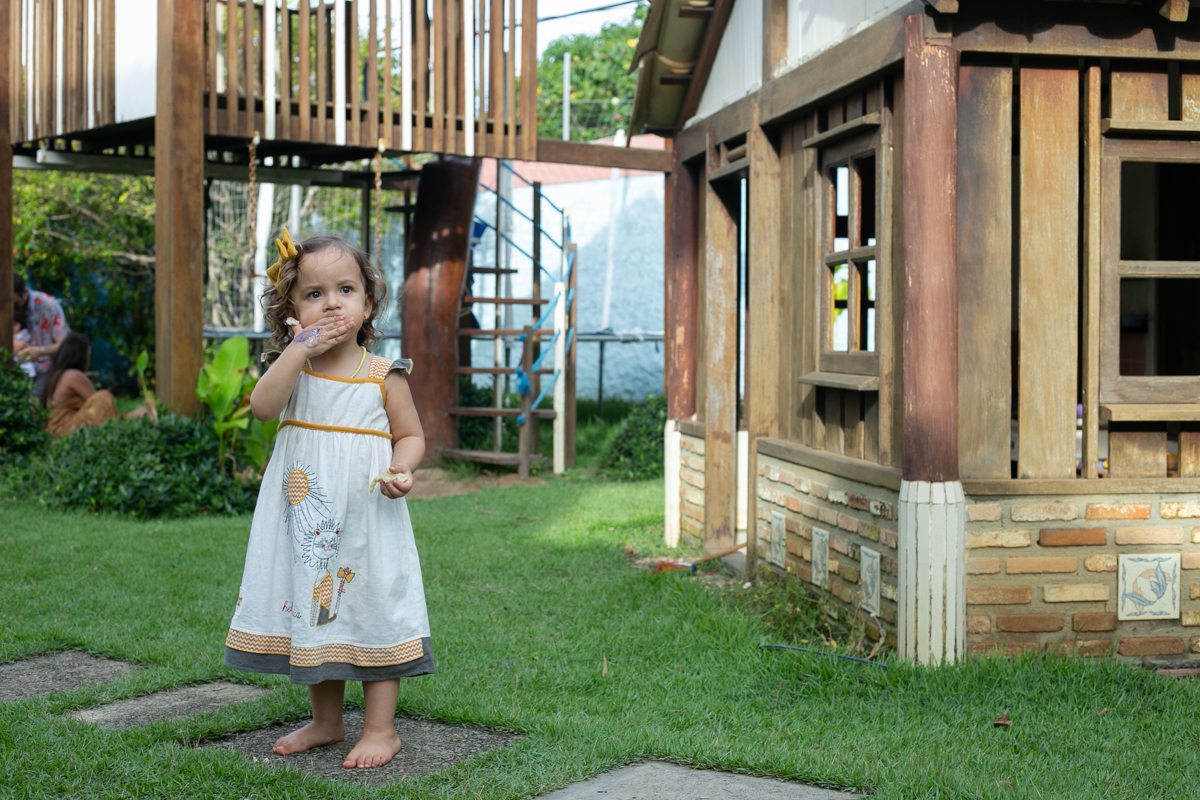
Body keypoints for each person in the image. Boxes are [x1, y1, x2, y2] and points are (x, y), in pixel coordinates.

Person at [223, 230, 431, 770]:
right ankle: (327, 721)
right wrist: (298, 349)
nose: (332, 302)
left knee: (373, 606)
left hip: (368, 517)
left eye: (345, 290)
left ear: (367, 304)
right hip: (308, 525)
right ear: (291, 309)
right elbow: (263, 407)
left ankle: (382, 730)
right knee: (318, 610)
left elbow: (410, 436)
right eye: (314, 294)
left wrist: (402, 468)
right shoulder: (295, 369)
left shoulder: (384, 375)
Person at [41, 333, 148, 437]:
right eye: (88, 355)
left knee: (140, 412)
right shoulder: (73, 375)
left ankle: (127, 422)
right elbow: (100, 405)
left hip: (56, 433)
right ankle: (120, 432)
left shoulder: (59, 375)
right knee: (103, 397)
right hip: (64, 432)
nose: (88, 360)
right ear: (80, 357)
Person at [13, 274, 70, 397]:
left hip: (43, 369)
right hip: (13, 367)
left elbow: (65, 344)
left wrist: (41, 351)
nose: (13, 308)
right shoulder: (4, 305)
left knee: (33, 399)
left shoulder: (49, 305)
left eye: (16, 303)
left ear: (24, 292)